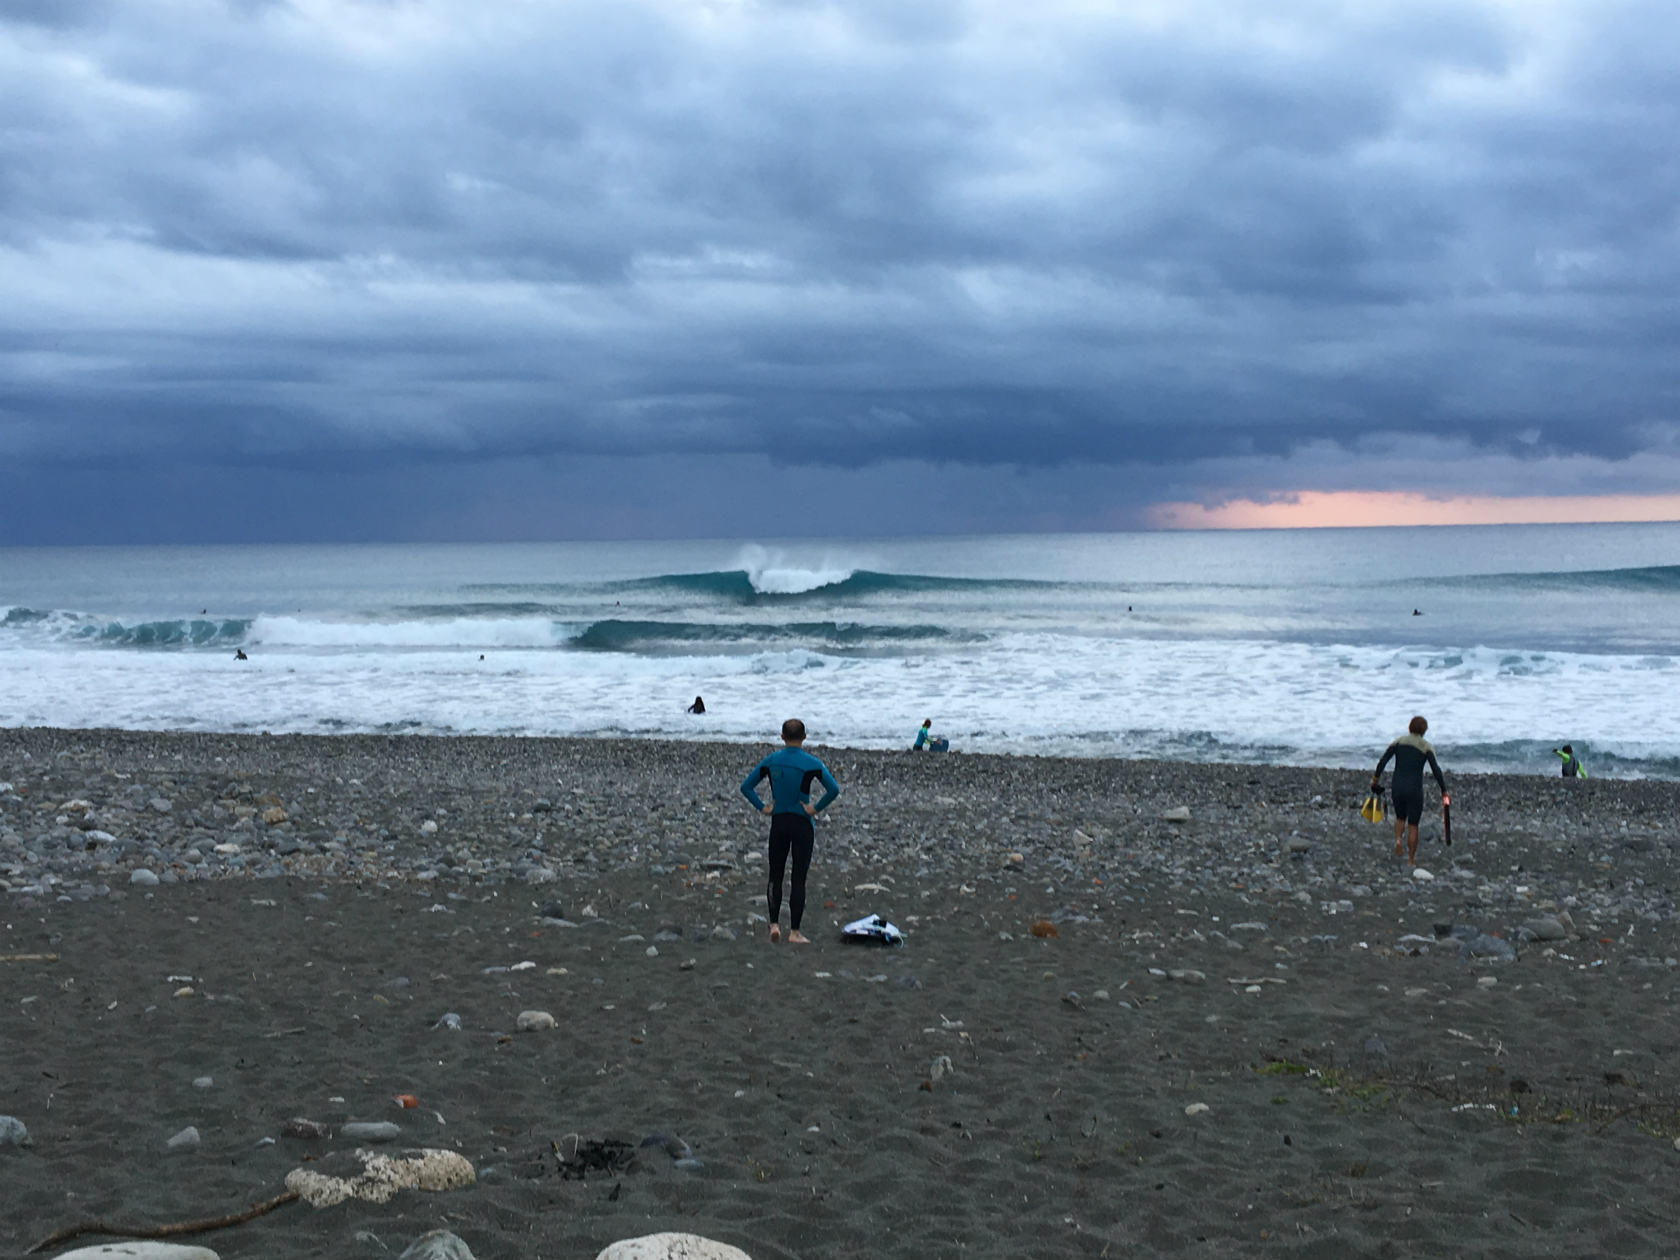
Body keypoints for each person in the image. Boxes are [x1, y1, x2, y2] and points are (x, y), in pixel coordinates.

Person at [740, 719, 840, 944]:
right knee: (798, 878)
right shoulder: (812, 763)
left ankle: (774, 924)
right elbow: (833, 789)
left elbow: (746, 786)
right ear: (804, 736)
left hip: (779, 822)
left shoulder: (772, 760)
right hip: (802, 823)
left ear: (782, 737)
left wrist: (764, 807)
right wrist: (815, 808)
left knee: (775, 874)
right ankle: (794, 931)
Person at [1371, 715, 1446, 866]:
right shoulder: (1426, 747)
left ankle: (1398, 840)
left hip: (1397, 786)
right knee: (1413, 824)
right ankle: (1410, 860)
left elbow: (1383, 761)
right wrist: (1443, 790)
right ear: (1424, 731)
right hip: (1414, 789)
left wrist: (1375, 779)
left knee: (1400, 818)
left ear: (1409, 727)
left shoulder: (1398, 742)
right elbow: (1436, 770)